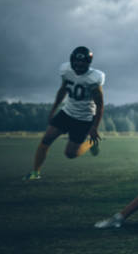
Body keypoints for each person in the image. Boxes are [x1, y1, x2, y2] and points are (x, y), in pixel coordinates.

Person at [23, 46, 105, 180]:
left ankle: (90, 143)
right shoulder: (66, 70)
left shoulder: (94, 78)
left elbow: (100, 104)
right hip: (67, 112)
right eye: (77, 62)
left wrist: (94, 127)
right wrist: (54, 109)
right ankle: (35, 173)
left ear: (88, 63)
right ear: (72, 60)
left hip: (84, 118)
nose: (79, 65)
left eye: (83, 62)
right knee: (46, 140)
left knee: (70, 154)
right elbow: (63, 90)